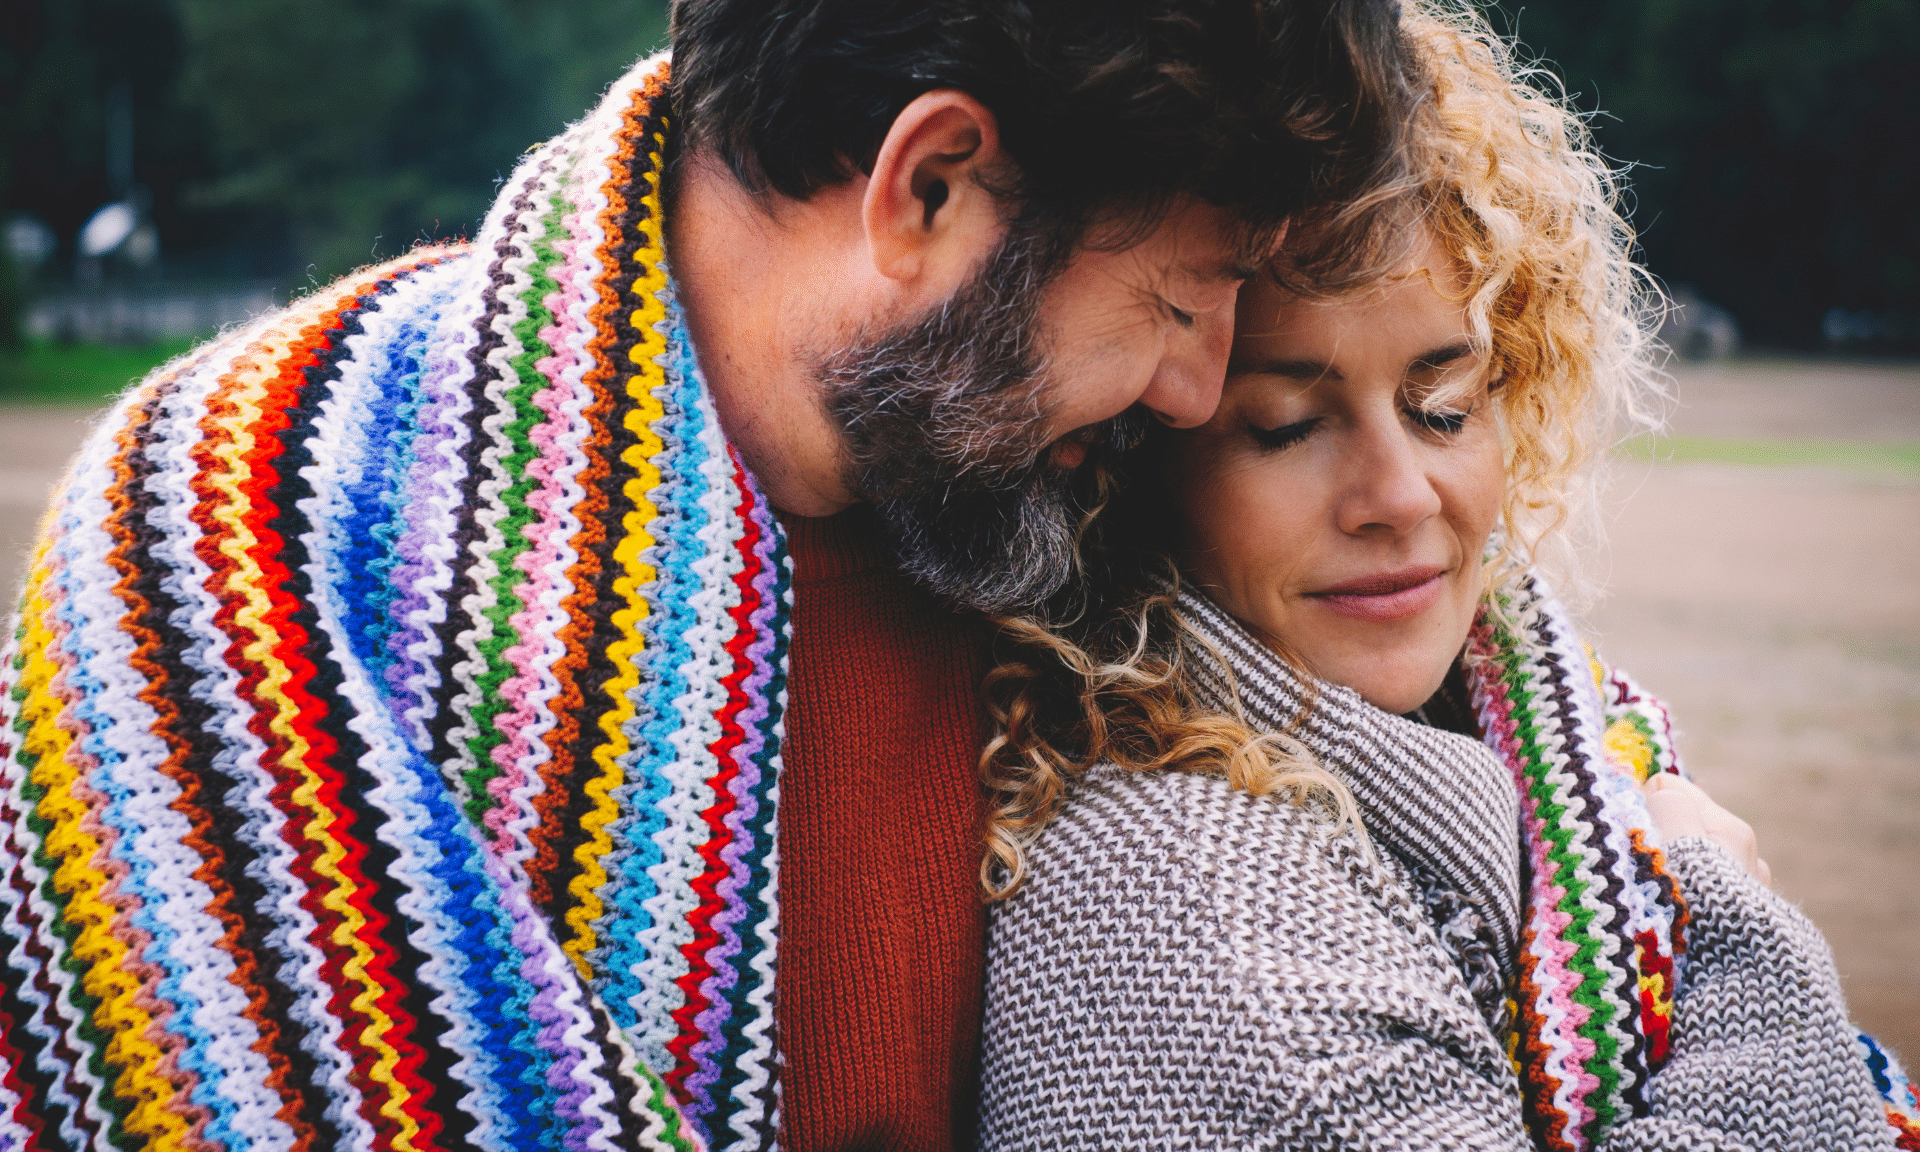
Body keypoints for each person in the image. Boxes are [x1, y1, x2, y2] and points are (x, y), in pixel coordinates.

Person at [0, 3, 1431, 1150]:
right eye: (1178, 302)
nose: (1196, 391)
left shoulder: (1070, 507)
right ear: (929, 185)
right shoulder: (235, 514)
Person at [973, 3, 1920, 1148]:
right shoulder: (1200, 923)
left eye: (1444, 405)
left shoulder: (1548, 737)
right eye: (1284, 426)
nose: (1403, 493)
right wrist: (1739, 944)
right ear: (1127, 466)